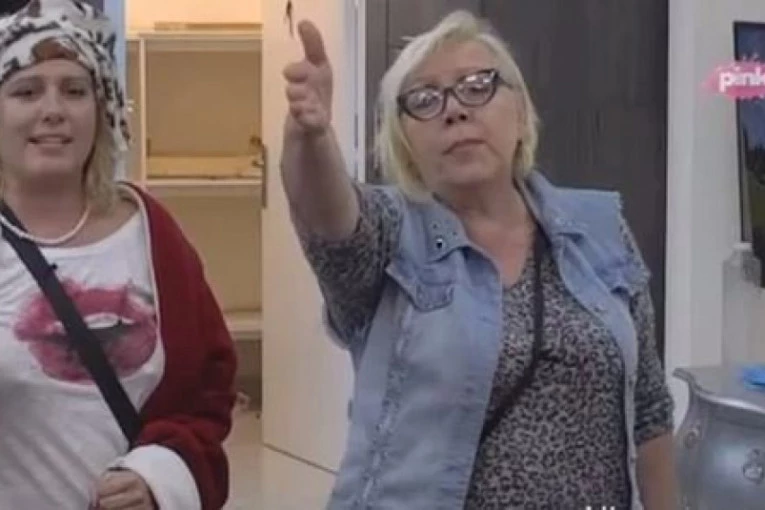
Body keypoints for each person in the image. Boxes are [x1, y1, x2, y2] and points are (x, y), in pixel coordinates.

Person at [281, 10, 676, 510]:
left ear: (520, 113)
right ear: (404, 141)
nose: (454, 111)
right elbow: (327, 217)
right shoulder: (391, 234)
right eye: (425, 100)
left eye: (476, 86)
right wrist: (311, 138)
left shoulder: (600, 230)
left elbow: (649, 410)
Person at [0, 1, 236, 509]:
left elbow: (207, 395)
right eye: (26, 91)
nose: (53, 110)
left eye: (74, 90)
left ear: (101, 107)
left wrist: (160, 477)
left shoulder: (150, 232)